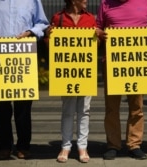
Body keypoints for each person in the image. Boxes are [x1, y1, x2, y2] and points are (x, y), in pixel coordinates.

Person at [0, 0, 49, 160]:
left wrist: (30, 32)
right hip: (0, 55)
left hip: (24, 54)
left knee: (23, 106)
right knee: (1, 105)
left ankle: (23, 145)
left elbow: (42, 23)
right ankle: (4, 145)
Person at [96, 0, 147, 160]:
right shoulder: (105, 3)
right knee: (111, 107)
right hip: (112, 63)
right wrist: (99, 33)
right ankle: (113, 145)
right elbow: (98, 27)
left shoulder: (145, 2)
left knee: (137, 106)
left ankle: (134, 144)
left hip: (138, 63)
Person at [45, 0, 96, 163]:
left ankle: (82, 146)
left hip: (85, 72)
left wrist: (99, 36)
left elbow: (96, 45)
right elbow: (51, 46)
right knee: (68, 110)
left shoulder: (90, 19)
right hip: (67, 73)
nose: (87, 1)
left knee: (84, 110)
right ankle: (65, 146)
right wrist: (49, 35)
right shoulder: (58, 17)